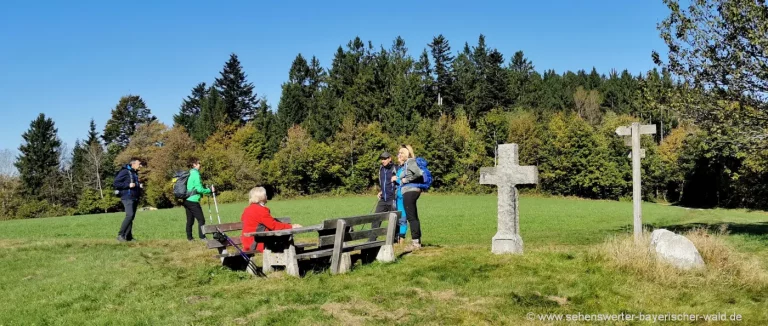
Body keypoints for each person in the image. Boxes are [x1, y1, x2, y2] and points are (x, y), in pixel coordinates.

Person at [240, 187, 302, 253]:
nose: (266, 196)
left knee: (283, 239)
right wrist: (291, 226)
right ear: (262, 197)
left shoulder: (247, 209)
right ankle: (288, 259)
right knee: (285, 239)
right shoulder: (260, 210)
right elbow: (274, 226)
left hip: (248, 242)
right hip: (257, 242)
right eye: (265, 195)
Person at [392, 144, 424, 250]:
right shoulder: (406, 164)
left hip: (410, 191)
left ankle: (415, 243)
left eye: (401, 153)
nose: (399, 154)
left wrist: (406, 180)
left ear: (407, 154)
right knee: (413, 216)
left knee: (411, 217)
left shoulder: (410, 161)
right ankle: (417, 241)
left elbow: (419, 173)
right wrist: (399, 178)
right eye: (399, 153)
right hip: (409, 191)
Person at [183, 157, 214, 241]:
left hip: (186, 200)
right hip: (193, 201)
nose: (200, 165)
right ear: (194, 164)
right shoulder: (196, 174)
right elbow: (199, 189)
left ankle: (189, 238)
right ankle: (202, 237)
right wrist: (209, 190)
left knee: (190, 220)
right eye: (199, 163)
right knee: (201, 220)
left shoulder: (189, 173)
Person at [114, 157, 144, 242]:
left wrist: (139, 186)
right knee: (129, 215)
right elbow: (116, 183)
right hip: (127, 197)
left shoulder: (134, 173)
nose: (140, 166)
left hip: (134, 197)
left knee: (131, 217)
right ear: (133, 164)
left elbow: (134, 184)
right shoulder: (124, 172)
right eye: (139, 164)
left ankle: (128, 237)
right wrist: (128, 185)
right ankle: (120, 235)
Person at [370, 151, 397, 241]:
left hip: (392, 199)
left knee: (394, 219)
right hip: (383, 199)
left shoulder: (395, 168)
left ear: (390, 159)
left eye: (385, 159)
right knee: (376, 218)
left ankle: (396, 238)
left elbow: (399, 182)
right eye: (382, 159)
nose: (383, 161)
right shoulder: (381, 169)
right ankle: (373, 238)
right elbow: (384, 183)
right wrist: (381, 191)